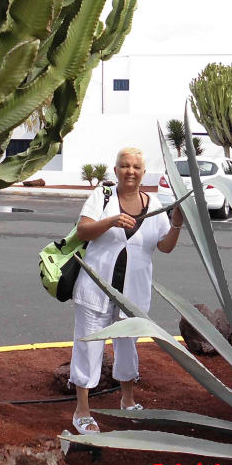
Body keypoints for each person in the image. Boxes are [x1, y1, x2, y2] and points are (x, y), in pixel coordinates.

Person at [69, 147, 184, 434]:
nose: (130, 171)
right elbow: (83, 231)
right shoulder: (103, 197)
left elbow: (164, 247)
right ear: (116, 170)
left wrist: (177, 224)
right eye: (124, 166)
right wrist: (111, 220)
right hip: (96, 290)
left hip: (132, 294)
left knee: (127, 348)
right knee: (88, 346)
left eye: (135, 167)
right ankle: (82, 411)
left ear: (143, 172)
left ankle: (128, 401)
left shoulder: (154, 204)